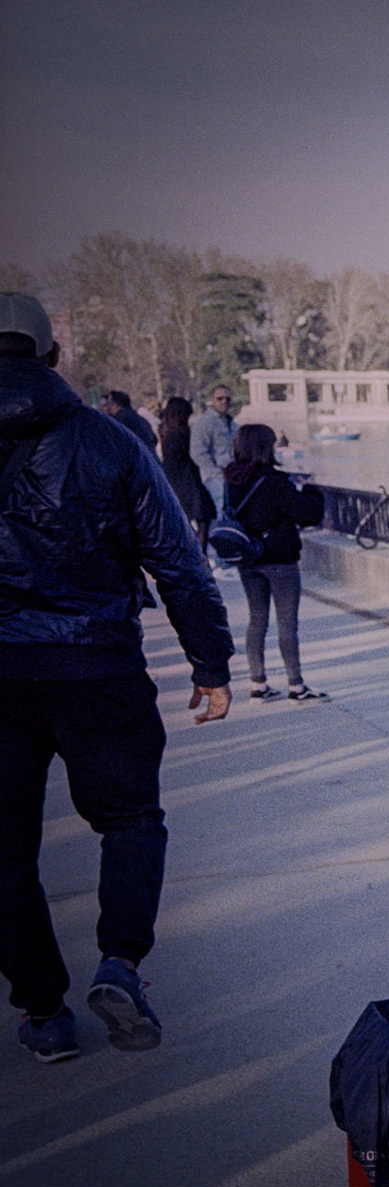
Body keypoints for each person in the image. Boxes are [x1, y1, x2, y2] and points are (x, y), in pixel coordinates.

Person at [0, 292, 234, 1062]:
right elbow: (179, 562)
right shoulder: (108, 442)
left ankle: (44, 1011)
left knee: (6, 853)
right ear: (53, 356)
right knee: (130, 819)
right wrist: (210, 663)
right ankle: (120, 964)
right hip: (97, 664)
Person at [224, 423, 327, 701]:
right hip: (280, 560)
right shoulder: (275, 482)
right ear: (264, 448)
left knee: (256, 621)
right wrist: (311, 490)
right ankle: (296, 686)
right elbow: (308, 514)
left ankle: (258, 684)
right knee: (286, 623)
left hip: (248, 558)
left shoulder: (232, 480)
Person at [157, 396, 213, 549]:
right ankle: (200, 554)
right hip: (189, 481)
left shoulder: (166, 432)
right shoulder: (181, 434)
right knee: (203, 520)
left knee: (185, 522)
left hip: (175, 481)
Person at [190, 384, 239, 517]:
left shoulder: (232, 423)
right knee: (221, 513)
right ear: (212, 400)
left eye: (227, 399)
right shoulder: (204, 423)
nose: (224, 401)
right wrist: (216, 473)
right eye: (220, 398)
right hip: (215, 479)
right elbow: (197, 452)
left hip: (232, 476)